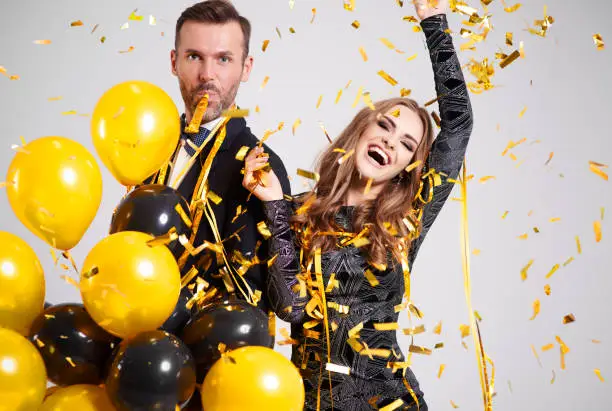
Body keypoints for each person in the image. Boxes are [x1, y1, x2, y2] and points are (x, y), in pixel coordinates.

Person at [242, 0, 472, 409]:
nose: (389, 141)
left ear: (408, 166)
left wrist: (432, 21)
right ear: (361, 130)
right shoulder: (298, 211)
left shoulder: (408, 219)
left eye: (405, 144)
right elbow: (291, 307)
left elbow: (458, 122)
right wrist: (275, 205)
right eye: (385, 126)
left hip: (390, 401)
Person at [146, 0, 291, 311]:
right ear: (174, 62)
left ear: (246, 67)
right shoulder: (148, 148)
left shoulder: (263, 167)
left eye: (223, 59)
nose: (206, 74)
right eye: (194, 56)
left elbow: (256, 297)